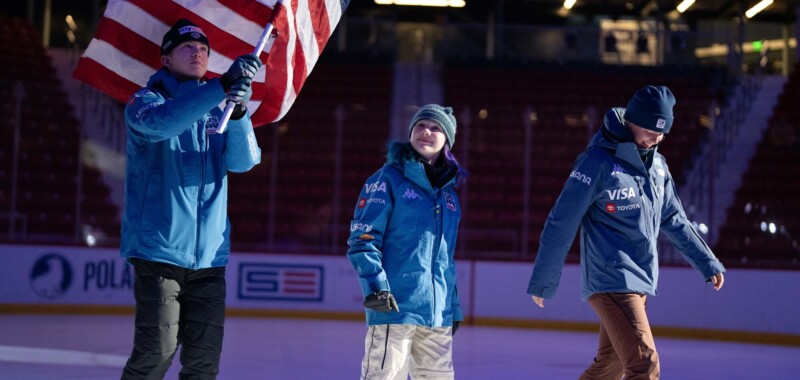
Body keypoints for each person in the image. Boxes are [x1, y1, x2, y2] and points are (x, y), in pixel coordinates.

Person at [526, 86, 726, 380]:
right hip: (610, 277)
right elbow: (562, 221)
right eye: (648, 130)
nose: (654, 139)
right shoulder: (597, 163)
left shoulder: (657, 165)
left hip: (640, 278)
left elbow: (674, 217)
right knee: (644, 365)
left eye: (661, 133)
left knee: (611, 365)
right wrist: (544, 279)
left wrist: (706, 261)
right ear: (631, 120)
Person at [120, 18, 262, 379]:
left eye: (202, 49)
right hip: (159, 253)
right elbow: (163, 124)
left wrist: (240, 113)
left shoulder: (221, 109)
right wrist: (221, 87)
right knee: (156, 354)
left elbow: (243, 162)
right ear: (165, 60)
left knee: (203, 364)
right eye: (186, 47)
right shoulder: (145, 102)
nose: (197, 52)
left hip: (211, 259)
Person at [347, 104, 468, 379]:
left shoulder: (449, 197)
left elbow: (445, 258)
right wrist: (376, 287)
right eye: (421, 126)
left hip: (437, 314)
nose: (426, 131)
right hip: (394, 308)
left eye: (436, 128)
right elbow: (363, 239)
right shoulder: (387, 179)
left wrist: (454, 305)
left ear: (447, 140)